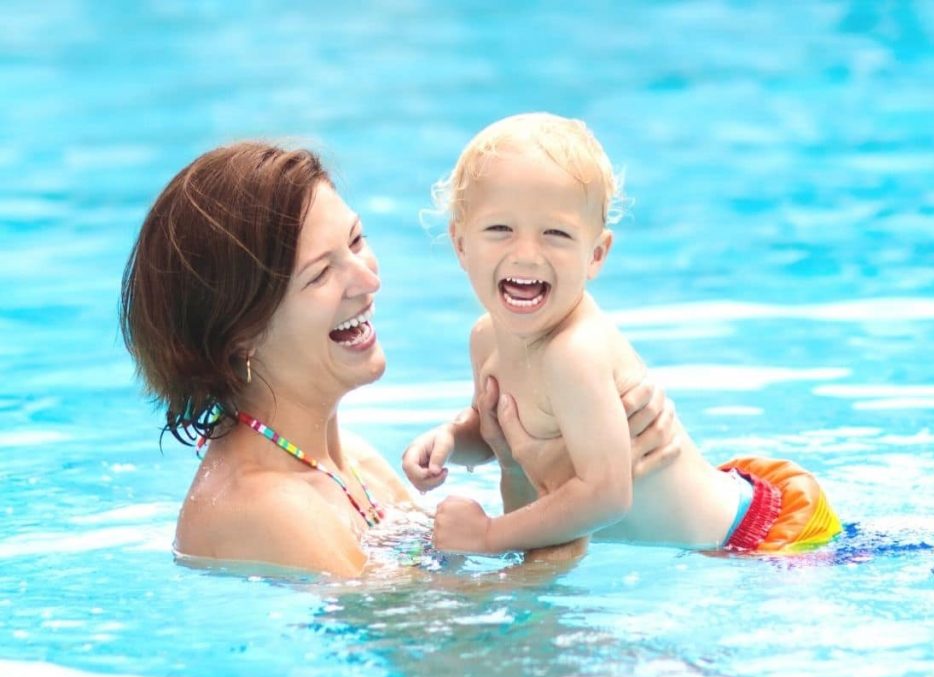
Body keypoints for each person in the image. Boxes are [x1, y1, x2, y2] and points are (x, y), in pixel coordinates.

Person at [119, 141, 683, 577]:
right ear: (239, 336)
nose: (368, 279)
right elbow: (448, 656)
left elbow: (456, 599)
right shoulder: (263, 508)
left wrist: (530, 458)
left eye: (358, 240)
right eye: (321, 274)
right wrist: (578, 512)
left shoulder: (350, 463)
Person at [402, 113, 843, 557]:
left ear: (595, 255)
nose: (526, 254)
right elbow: (503, 431)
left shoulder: (574, 353)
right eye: (500, 229)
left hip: (759, 539)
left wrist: (489, 537)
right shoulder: (486, 339)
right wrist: (453, 440)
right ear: (460, 243)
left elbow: (607, 496)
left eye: (555, 233)